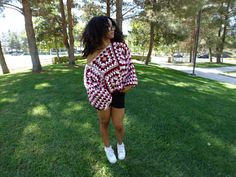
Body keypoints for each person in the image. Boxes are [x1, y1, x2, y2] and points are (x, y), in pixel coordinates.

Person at [82, 16, 138, 164]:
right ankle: (107, 147)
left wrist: (130, 82)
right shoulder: (92, 54)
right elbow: (90, 78)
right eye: (108, 27)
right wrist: (98, 93)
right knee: (104, 123)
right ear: (99, 29)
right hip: (102, 95)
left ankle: (120, 144)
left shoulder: (120, 46)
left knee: (118, 125)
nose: (112, 29)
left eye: (112, 26)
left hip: (119, 91)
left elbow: (129, 66)